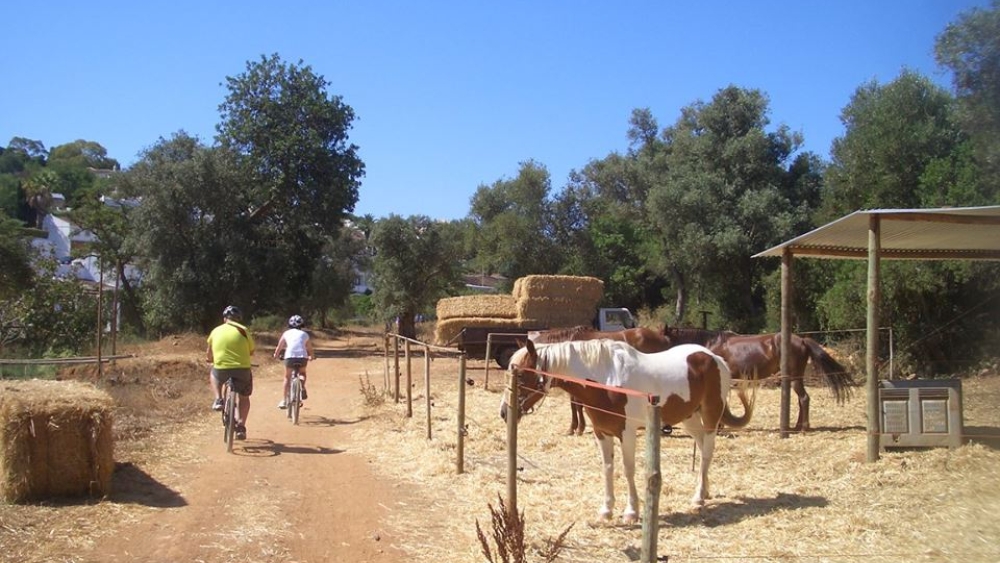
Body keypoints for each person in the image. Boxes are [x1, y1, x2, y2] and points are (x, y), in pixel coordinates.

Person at [207, 305, 254, 440]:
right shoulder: (244, 330)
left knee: (214, 374)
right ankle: (241, 426)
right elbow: (251, 351)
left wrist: (210, 359)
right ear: (238, 319)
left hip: (221, 369)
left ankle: (218, 399)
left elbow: (209, 353)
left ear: (224, 319)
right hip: (242, 369)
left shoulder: (215, 331)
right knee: (244, 398)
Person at [273, 314, 315, 409]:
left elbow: (280, 346)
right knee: (302, 373)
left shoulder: (286, 333)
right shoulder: (305, 334)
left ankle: (284, 401)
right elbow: (309, 348)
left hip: (289, 357)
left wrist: (276, 355)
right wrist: (311, 356)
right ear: (302, 325)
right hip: (302, 357)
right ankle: (302, 386)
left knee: (287, 378)